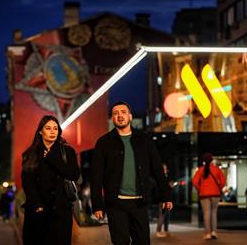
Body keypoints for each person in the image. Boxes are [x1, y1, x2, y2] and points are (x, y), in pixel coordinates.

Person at [90, 101, 173, 245]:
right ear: (112, 118)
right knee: (120, 242)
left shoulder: (144, 140)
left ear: (130, 116)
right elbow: (96, 175)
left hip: (139, 202)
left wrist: (166, 196)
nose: (119, 116)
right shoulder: (104, 143)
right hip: (115, 204)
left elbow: (157, 170)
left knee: (142, 241)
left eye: (123, 112)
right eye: (115, 113)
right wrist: (97, 205)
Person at [21, 115, 79, 245]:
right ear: (40, 131)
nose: (52, 132)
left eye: (55, 128)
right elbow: (27, 183)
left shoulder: (67, 151)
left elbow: (74, 174)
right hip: (38, 212)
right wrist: (37, 205)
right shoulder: (30, 154)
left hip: (61, 212)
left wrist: (53, 159)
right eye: (48, 128)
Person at [192, 152, 226, 240]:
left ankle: (207, 233)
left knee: (206, 213)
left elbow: (194, 181)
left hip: (204, 194)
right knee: (214, 213)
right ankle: (214, 232)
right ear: (212, 160)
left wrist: (200, 189)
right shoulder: (217, 169)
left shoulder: (200, 170)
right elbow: (223, 181)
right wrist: (219, 188)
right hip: (215, 194)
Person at [156, 163, 175, 238]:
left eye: (166, 168)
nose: (165, 170)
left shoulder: (167, 176)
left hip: (168, 199)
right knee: (162, 215)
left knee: (167, 216)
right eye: (163, 168)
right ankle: (158, 231)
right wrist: (169, 185)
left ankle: (166, 230)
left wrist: (171, 185)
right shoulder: (160, 177)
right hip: (162, 199)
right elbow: (161, 189)